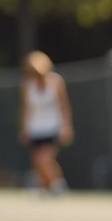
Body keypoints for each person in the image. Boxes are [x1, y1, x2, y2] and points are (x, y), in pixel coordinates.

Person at [18, 50, 73, 195]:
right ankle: (46, 188)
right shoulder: (27, 85)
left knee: (45, 159)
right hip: (35, 127)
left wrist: (66, 126)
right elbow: (26, 109)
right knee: (37, 161)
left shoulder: (56, 81)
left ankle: (57, 185)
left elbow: (64, 105)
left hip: (52, 126)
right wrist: (24, 128)